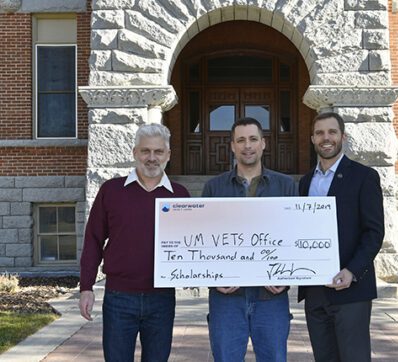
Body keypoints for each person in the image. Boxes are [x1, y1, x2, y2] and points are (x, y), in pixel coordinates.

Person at [79, 123, 190, 362]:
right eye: (145, 151)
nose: (152, 158)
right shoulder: (112, 191)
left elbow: (194, 244)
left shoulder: (180, 196)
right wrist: (86, 287)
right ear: (134, 153)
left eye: (158, 152)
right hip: (119, 298)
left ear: (168, 155)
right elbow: (93, 240)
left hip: (161, 299)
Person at [202, 117, 297, 362]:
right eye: (241, 140)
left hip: (271, 298)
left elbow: (296, 237)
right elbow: (202, 242)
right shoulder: (214, 189)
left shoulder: (286, 186)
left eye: (253, 139)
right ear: (232, 146)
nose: (247, 146)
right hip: (226, 299)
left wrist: (287, 277)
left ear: (263, 144)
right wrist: (213, 279)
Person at [298, 112, 384, 362]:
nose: (326, 138)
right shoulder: (305, 183)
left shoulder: (364, 176)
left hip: (351, 290)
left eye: (332, 132)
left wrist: (352, 271)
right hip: (315, 292)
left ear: (342, 136)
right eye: (320, 133)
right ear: (312, 138)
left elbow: (374, 233)